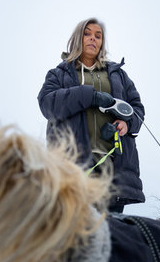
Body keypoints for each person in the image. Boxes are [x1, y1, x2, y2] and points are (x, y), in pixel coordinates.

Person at [38, 18, 145, 213]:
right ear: (78, 38)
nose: (92, 39)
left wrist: (127, 124)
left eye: (98, 35)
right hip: (73, 169)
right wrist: (90, 96)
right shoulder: (58, 74)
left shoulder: (119, 75)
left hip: (113, 170)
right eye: (87, 34)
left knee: (112, 236)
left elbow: (137, 109)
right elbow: (47, 104)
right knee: (75, 237)